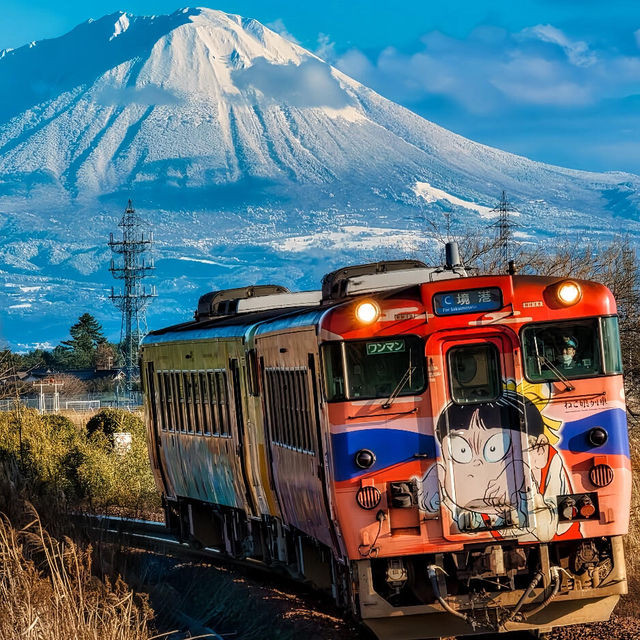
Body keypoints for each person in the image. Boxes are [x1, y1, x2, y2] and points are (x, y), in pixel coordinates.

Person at [418, 390, 580, 542]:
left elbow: (547, 530)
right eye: (461, 451)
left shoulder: (552, 462)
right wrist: (436, 478)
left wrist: (529, 497)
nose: (478, 471)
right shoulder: (454, 484)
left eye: (496, 448)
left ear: (539, 450)